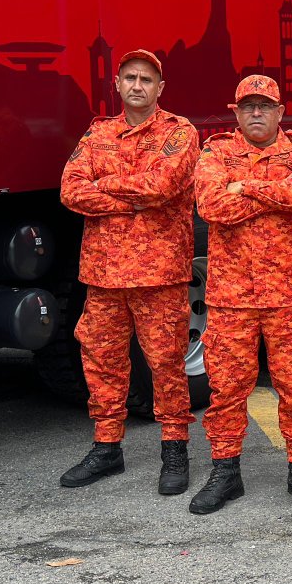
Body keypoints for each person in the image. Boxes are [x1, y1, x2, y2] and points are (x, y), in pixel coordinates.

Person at [57, 48, 201, 491]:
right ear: (117, 85)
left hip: (159, 273)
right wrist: (131, 198)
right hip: (102, 275)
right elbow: (70, 190)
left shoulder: (180, 133)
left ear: (160, 88)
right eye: (130, 78)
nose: (138, 85)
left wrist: (104, 187)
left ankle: (175, 450)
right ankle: (106, 448)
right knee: (102, 360)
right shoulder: (97, 134)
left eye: (147, 79)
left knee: (166, 364)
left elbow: (162, 186)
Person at [189, 75, 292, 514]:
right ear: (235, 112)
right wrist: (273, 194)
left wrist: (243, 187)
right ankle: (226, 472)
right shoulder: (215, 151)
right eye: (247, 105)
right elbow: (210, 206)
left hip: (288, 296)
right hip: (231, 297)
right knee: (226, 389)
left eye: (264, 105)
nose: (256, 112)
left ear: (280, 112)